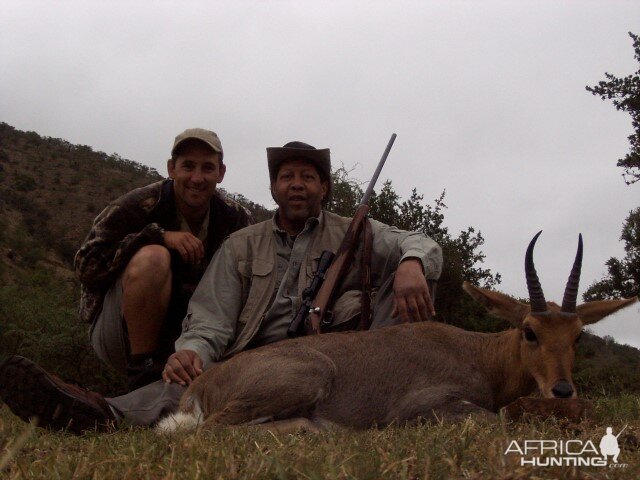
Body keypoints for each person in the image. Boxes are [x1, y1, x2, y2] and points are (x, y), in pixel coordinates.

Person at [0, 140, 442, 433]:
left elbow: (420, 243)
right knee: (190, 384)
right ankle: (100, 412)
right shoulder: (240, 244)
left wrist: (411, 263)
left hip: (346, 368)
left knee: (413, 273)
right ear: (273, 187)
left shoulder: (355, 233)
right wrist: (191, 349)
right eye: (287, 176)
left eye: (308, 177)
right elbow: (211, 315)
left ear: (324, 187)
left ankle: (398, 397)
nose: (297, 185)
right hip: (260, 365)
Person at [75, 128, 251, 389]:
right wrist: (155, 236)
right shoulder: (137, 205)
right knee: (153, 258)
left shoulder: (236, 218)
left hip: (196, 336)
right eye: (188, 166)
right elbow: (86, 266)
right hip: (117, 334)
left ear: (221, 173)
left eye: (207, 168)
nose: (197, 178)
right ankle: (142, 377)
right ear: (171, 168)